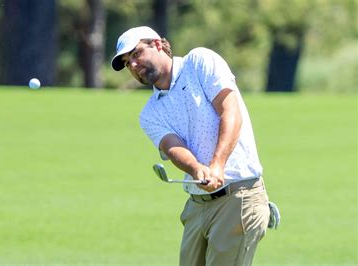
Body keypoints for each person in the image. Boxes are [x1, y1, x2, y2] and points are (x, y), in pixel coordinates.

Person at [111, 26, 271, 266]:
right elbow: (173, 147)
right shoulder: (150, 113)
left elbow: (231, 111)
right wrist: (197, 169)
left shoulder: (199, 62)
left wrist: (217, 165)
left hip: (238, 196)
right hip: (197, 206)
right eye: (126, 63)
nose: (132, 65)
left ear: (156, 44)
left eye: (135, 54)